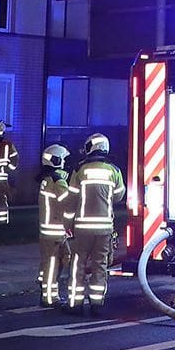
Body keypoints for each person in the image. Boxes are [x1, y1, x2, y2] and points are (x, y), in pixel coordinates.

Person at [68, 132, 125, 314]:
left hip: (83, 228)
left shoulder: (79, 170)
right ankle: (96, 304)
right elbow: (118, 196)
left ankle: (76, 305)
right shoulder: (114, 171)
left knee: (78, 264)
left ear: (90, 147)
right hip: (104, 228)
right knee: (100, 265)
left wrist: (67, 223)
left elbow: (72, 198)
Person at [36, 145, 75, 308]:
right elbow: (69, 201)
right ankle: (49, 298)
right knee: (52, 264)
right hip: (55, 231)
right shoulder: (57, 181)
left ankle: (44, 283)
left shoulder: (46, 179)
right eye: (63, 159)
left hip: (50, 231)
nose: (65, 162)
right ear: (56, 160)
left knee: (58, 261)